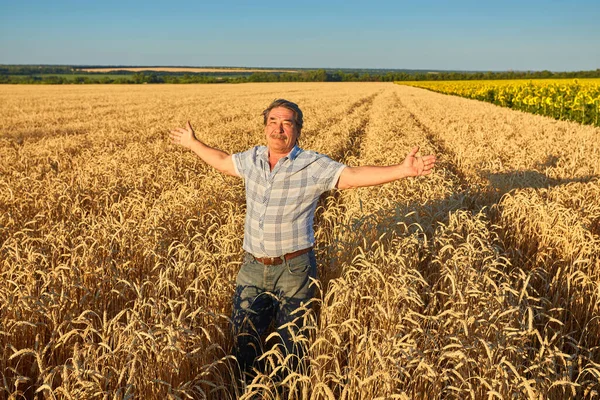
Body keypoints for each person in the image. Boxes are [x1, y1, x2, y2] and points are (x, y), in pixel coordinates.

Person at [170, 98, 436, 379]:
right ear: (265, 127)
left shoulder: (312, 165)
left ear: (298, 129)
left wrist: (403, 170)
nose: (278, 129)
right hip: (251, 267)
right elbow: (223, 161)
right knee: (243, 343)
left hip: (294, 270)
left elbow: (353, 176)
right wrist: (192, 143)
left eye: (287, 123)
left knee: (292, 348)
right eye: (273, 121)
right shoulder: (253, 159)